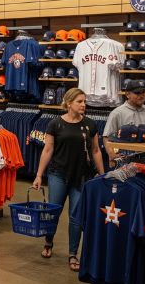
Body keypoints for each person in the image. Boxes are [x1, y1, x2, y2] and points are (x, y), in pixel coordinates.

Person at [32, 88, 105, 271]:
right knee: (53, 212)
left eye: (84, 101)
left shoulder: (90, 124)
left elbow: (96, 150)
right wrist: (39, 174)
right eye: (79, 101)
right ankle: (48, 242)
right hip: (58, 174)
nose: (83, 105)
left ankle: (73, 253)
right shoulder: (55, 124)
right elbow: (47, 150)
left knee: (75, 217)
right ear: (69, 103)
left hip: (82, 176)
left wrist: (102, 174)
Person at [102, 80, 145, 165]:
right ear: (127, 94)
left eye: (143, 92)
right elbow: (107, 137)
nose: (141, 95)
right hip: (126, 159)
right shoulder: (117, 113)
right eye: (137, 93)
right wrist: (112, 155)